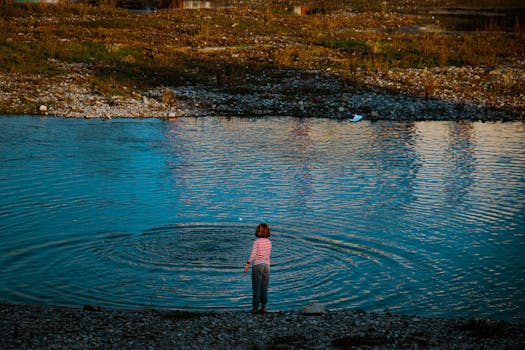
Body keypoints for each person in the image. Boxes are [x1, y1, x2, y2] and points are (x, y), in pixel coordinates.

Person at [244, 223, 272, 314]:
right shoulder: (269, 242)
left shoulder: (256, 242)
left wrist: (248, 263)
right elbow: (267, 255)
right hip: (267, 266)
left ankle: (255, 308)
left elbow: (253, 254)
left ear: (258, 231)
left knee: (256, 287)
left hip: (257, 266)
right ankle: (263, 307)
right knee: (264, 286)